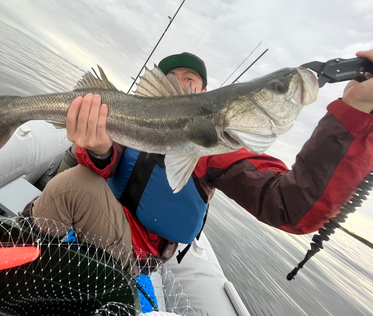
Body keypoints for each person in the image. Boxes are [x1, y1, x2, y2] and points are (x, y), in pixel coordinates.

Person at [26, 50, 373, 277]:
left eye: (191, 79)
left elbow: (288, 205)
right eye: (172, 76)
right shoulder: (128, 117)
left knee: (70, 185)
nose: (181, 82)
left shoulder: (219, 145)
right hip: (101, 219)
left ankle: (24, 258)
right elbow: (100, 166)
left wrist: (354, 112)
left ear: (206, 91)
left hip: (136, 251)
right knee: (75, 176)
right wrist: (100, 149)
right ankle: (25, 254)